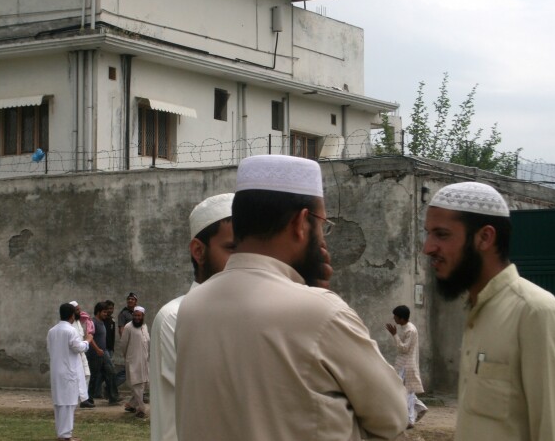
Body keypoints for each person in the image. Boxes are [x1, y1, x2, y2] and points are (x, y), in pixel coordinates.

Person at [175, 154, 408, 441]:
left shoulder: (192, 307)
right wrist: (320, 298)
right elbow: (395, 416)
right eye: (323, 224)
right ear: (301, 222)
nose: (323, 239)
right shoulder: (323, 313)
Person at [424, 181, 555, 440]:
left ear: (485, 237)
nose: (427, 247)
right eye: (427, 233)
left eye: (441, 234)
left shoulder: (536, 313)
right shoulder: (478, 311)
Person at [150, 192, 234, 441]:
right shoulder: (176, 318)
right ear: (199, 251)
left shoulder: (242, 316)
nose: (244, 262)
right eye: (232, 249)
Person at [48, 302, 93, 441]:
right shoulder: (70, 330)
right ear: (72, 315)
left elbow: (50, 349)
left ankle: (62, 433)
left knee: (60, 404)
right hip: (68, 371)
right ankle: (66, 435)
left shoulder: (52, 331)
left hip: (57, 371)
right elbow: (78, 347)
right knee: (68, 403)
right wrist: (87, 341)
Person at [385, 305, 427, 429]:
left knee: (406, 392)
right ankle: (419, 408)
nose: (394, 318)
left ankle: (410, 420)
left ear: (402, 318)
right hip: (402, 364)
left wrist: (394, 335)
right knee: (403, 390)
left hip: (407, 365)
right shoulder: (405, 327)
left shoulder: (410, 330)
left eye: (396, 317)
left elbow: (404, 349)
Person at [85, 302, 120, 406]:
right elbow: (89, 337)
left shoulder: (102, 322)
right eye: (104, 312)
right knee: (93, 377)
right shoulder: (93, 322)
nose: (106, 313)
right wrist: (97, 349)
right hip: (95, 354)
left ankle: (113, 398)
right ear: (98, 312)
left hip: (103, 353)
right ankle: (88, 399)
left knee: (111, 373)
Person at [119, 305, 150, 418]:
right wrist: (128, 357)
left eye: (139, 315)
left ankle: (131, 405)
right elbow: (123, 344)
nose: (137, 317)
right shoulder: (128, 327)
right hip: (133, 360)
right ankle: (141, 409)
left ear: (143, 316)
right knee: (137, 384)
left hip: (144, 361)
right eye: (135, 315)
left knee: (143, 384)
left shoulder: (144, 326)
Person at [69, 300, 93, 406]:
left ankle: (84, 398)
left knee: (87, 374)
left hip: (82, 352)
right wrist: (87, 341)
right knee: (77, 377)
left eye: (79, 309)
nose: (80, 311)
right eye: (77, 310)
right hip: (75, 353)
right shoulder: (70, 325)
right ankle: (80, 399)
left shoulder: (78, 321)